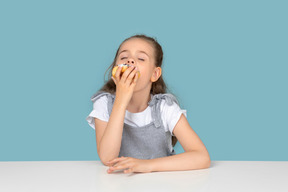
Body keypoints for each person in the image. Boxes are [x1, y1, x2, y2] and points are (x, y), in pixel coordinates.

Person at [86, 34, 211, 174]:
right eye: (123, 57)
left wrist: (146, 165)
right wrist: (121, 99)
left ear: (155, 74)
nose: (130, 61)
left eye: (140, 58)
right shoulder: (103, 103)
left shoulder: (165, 107)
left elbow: (202, 157)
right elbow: (107, 157)